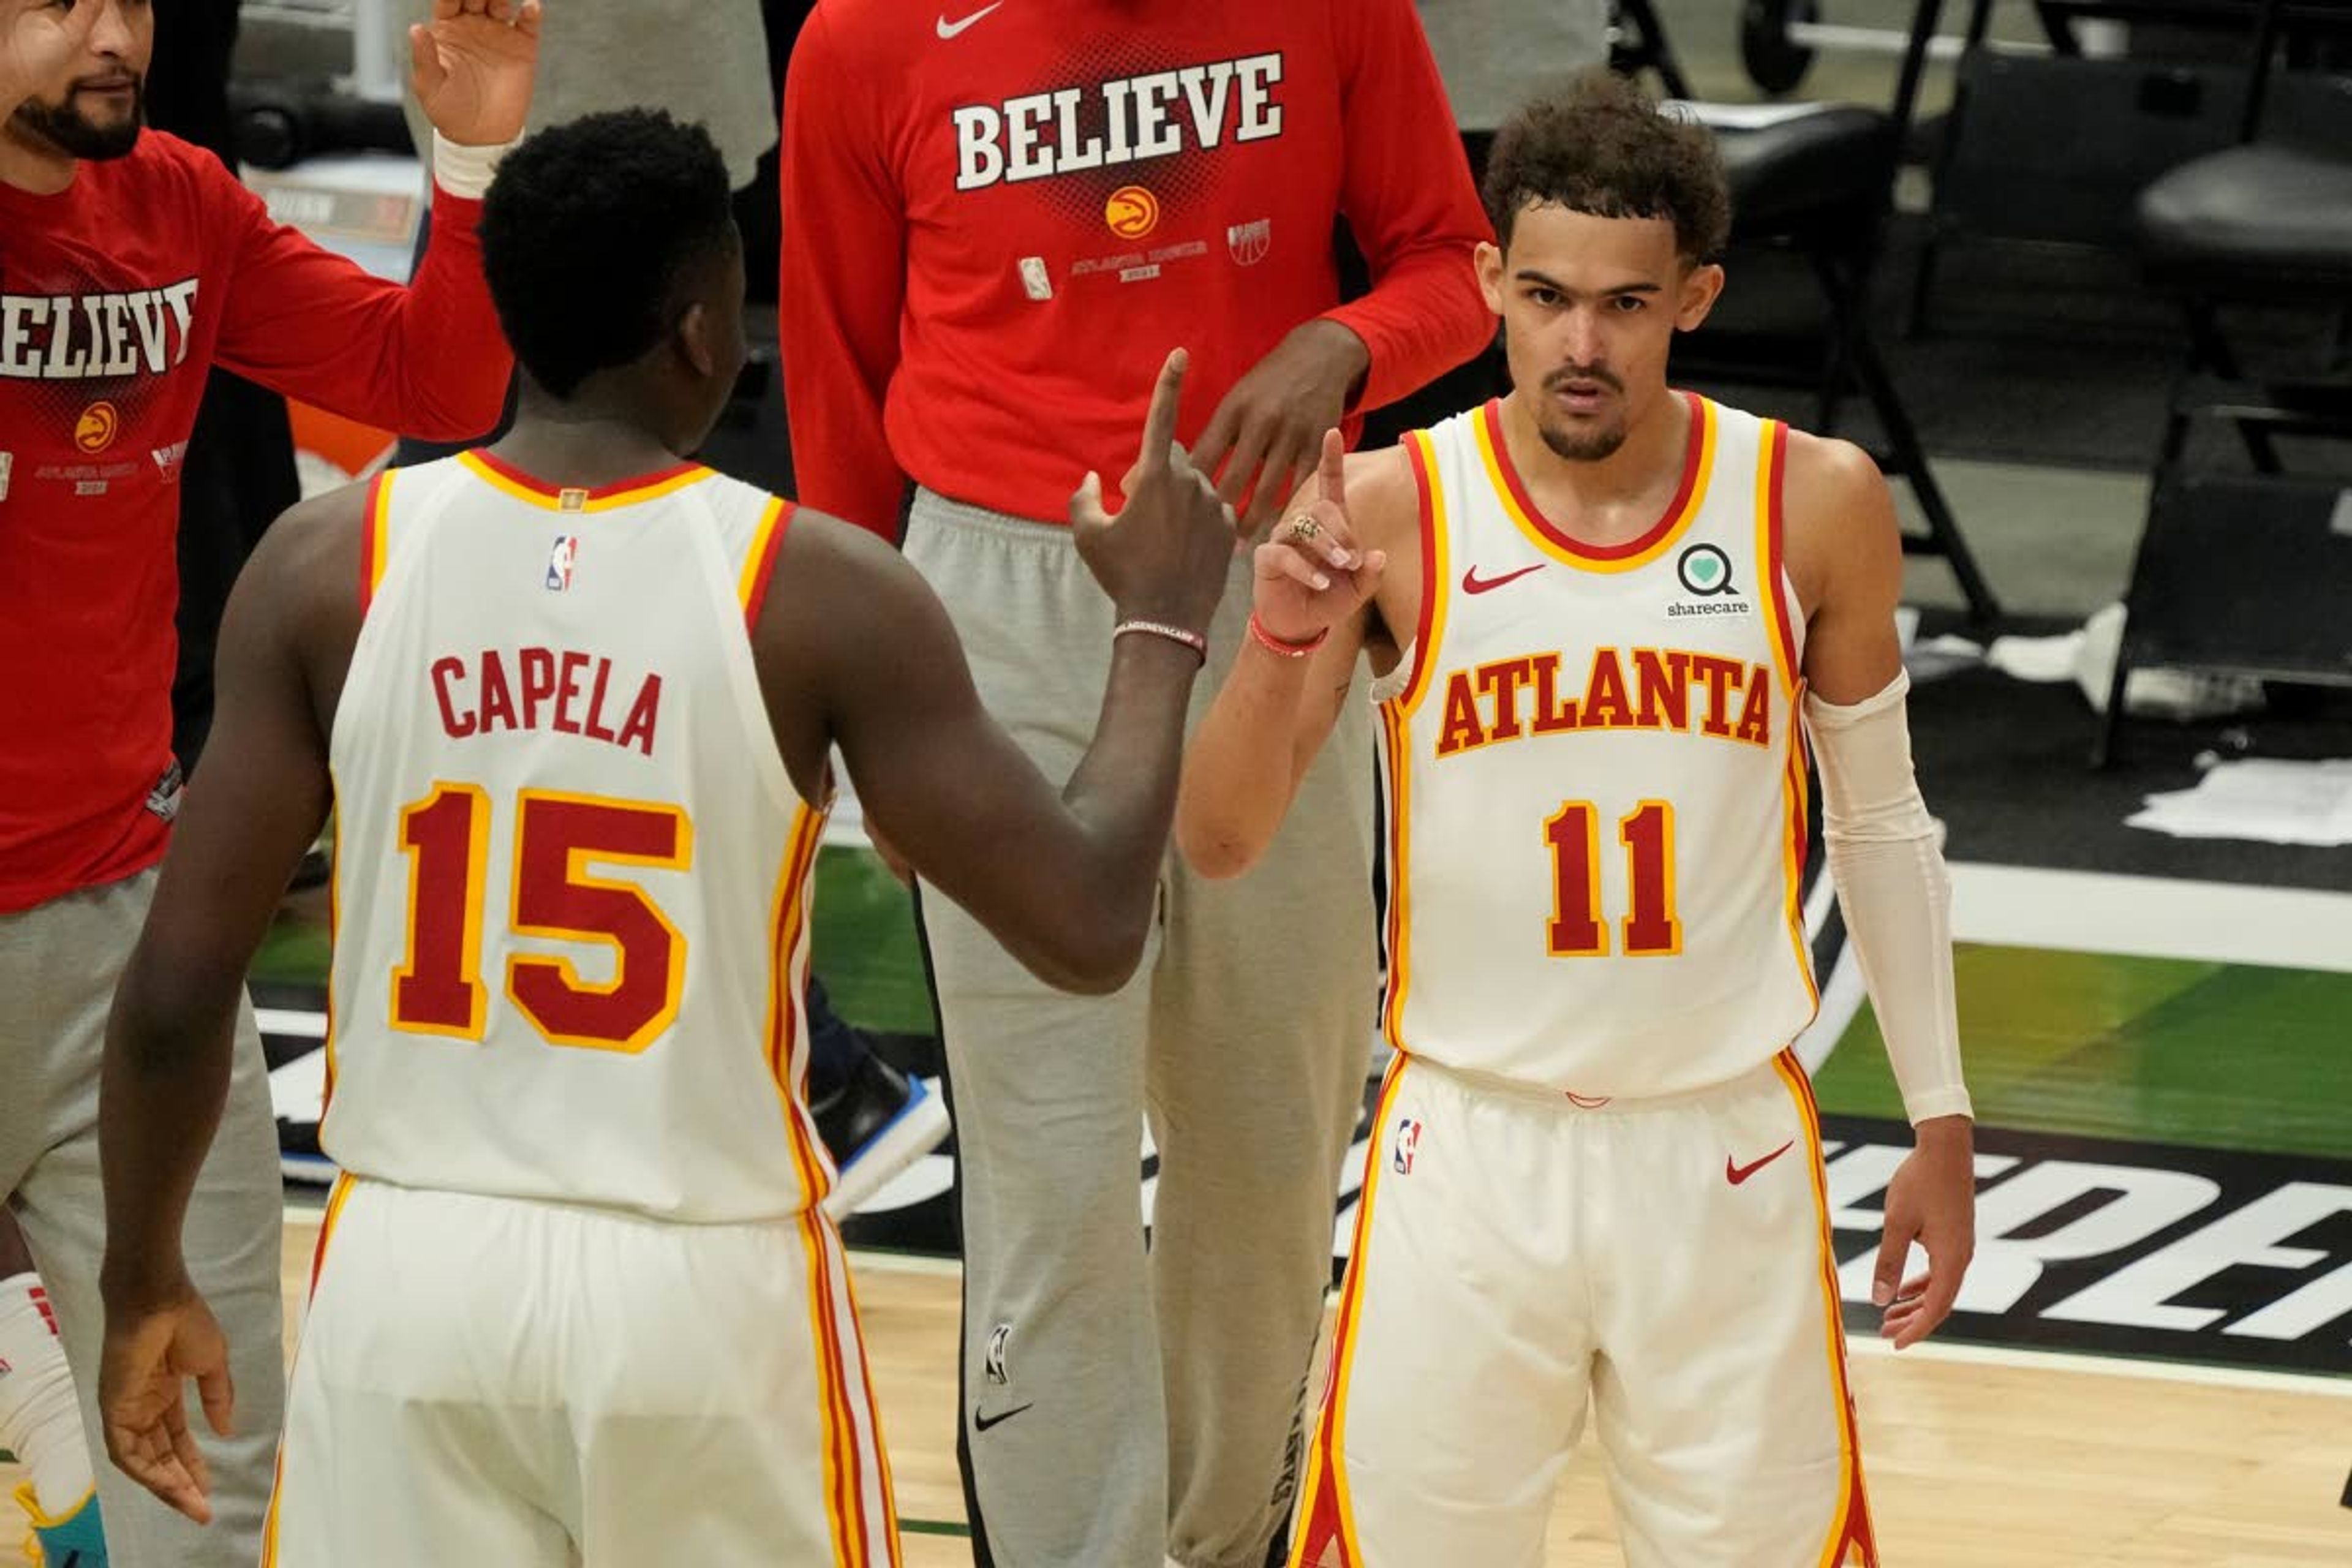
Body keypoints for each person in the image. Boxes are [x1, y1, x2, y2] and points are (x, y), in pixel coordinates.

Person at [92, 107, 1237, 1566]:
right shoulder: (816, 587)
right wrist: (1158, 619)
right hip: (701, 1294)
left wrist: (143, 1282)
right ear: (704, 330)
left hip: (407, 1280)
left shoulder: (327, 563)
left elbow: (176, 996)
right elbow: (1087, 924)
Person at [1176, 74, 1978, 1567]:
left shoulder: (1813, 501)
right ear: (1489, 284)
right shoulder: (1387, 508)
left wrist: (1939, 1112)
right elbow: (1222, 841)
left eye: (1624, 302)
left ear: (1698, 295)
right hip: (1468, 1150)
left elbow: (1882, 825)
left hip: (1722, 1149)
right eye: (1545, 296)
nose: (1582, 343)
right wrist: (1281, 638)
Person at [780, 7, 1493, 1564]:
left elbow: (1461, 268)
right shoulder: (863, 37)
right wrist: (852, 710)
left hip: (1271, 579)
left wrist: (1347, 340)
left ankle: (1225, 1540)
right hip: (990, 596)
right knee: (1050, 1179)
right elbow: (834, 366)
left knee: (1269, 1144)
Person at [0, 0, 531, 1561]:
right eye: (53, 3)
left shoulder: (181, 201)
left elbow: (429, 384)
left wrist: (478, 153)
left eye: (129, 1)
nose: (112, 35)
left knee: (212, 1479)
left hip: (132, 940)